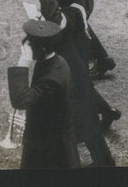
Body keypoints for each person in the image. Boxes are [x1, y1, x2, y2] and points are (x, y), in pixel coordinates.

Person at [37, 0, 118, 165]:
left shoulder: (73, 9)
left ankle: (104, 162)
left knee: (85, 117)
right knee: (85, 99)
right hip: (74, 64)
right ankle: (107, 114)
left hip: (72, 66)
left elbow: (57, 23)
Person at [8, 19, 80, 169]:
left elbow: (20, 100)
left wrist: (23, 62)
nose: (25, 50)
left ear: (41, 49)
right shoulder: (56, 61)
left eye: (29, 46)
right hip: (50, 133)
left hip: (48, 143)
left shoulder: (53, 79)